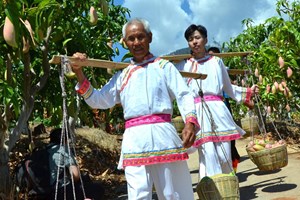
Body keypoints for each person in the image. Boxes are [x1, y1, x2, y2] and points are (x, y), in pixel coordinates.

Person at [70, 18, 199, 200]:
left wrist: (190, 121)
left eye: (141, 37)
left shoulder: (164, 67)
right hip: (135, 142)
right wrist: (79, 72)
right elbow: (98, 100)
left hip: (164, 137)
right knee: (138, 195)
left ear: (150, 37)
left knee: (172, 193)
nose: (137, 42)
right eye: (131, 38)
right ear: (125, 42)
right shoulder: (122, 75)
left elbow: (184, 94)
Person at [176, 24, 258, 179]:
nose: (195, 41)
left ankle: (228, 189)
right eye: (190, 39)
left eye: (198, 37)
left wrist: (248, 92)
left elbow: (228, 87)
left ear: (205, 39)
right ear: (188, 43)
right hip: (198, 113)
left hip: (218, 111)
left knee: (224, 154)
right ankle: (210, 191)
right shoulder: (182, 65)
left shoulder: (216, 62)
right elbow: (174, 88)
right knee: (208, 155)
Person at [208, 46, 242, 173]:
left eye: (216, 56)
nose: (214, 58)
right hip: (208, 108)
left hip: (223, 105)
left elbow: (229, 85)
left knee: (229, 142)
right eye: (211, 55)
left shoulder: (221, 67)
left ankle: (233, 168)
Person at [48, 128, 104, 200]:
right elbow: (75, 176)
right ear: (65, 140)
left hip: (43, 192)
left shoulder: (43, 151)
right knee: (98, 189)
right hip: (60, 192)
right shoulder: (63, 150)